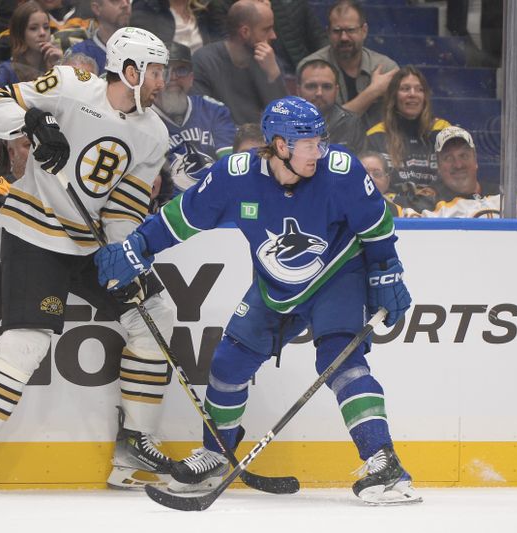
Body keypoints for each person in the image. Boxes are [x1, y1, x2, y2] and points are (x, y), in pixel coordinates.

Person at [93, 96, 420, 505]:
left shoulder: (341, 172)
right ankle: (215, 455)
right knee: (228, 363)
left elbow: (376, 226)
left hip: (338, 275)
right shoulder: (236, 175)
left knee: (341, 361)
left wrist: (386, 271)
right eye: (308, 144)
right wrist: (136, 246)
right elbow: (182, 218)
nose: (318, 151)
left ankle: (384, 464)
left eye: (321, 140)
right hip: (276, 284)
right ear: (280, 145)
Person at [0, 27, 177, 494]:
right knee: (26, 342)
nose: (160, 83)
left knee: (155, 317)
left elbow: (126, 206)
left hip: (90, 245)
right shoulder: (70, 85)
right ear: (131, 71)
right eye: (156, 72)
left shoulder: (154, 134)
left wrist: (121, 254)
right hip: (35, 231)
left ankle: (134, 447)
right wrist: (32, 124)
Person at [298, 0, 398, 129]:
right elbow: (321, 124)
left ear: (364, 31)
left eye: (350, 30)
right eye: (337, 31)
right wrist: (373, 91)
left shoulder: (386, 68)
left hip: (378, 146)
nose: (344, 37)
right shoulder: (310, 69)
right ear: (328, 32)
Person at [153, 42, 235, 193]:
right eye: (165, 70)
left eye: (181, 70)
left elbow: (229, 165)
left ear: (191, 78)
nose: (173, 77)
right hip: (168, 207)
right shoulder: (143, 120)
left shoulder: (213, 110)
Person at [402, 126, 517, 219]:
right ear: (438, 167)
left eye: (464, 156)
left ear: (476, 161)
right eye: (448, 158)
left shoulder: (502, 197)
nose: (458, 165)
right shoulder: (427, 202)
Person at [191, 0, 287, 125]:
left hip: (261, 139)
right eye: (266, 29)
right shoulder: (205, 61)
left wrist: (273, 75)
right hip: (221, 141)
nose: (273, 36)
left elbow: (283, 119)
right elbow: (202, 115)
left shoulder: (269, 62)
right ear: (245, 32)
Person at [364, 66, 451, 190]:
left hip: (437, 206)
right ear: (393, 96)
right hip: (393, 206)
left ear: (425, 97)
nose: (412, 94)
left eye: (419, 89)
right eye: (405, 89)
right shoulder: (375, 135)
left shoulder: (443, 130)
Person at [0, 1, 63, 88]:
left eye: (46, 27)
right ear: (20, 33)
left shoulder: (58, 62)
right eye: (33, 28)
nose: (42, 33)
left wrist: (61, 65)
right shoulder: (7, 71)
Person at [297, 58, 364, 154]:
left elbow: (360, 165)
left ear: (336, 91)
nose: (319, 93)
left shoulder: (352, 124)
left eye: (326, 87)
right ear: (298, 90)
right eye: (311, 86)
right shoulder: (283, 123)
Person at [130, 0, 227, 53]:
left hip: (202, 80)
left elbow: (220, 52)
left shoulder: (204, 10)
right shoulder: (147, 6)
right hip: (168, 83)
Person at [67, 0, 132, 74]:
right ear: (97, 8)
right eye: (115, 1)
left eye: (127, 0)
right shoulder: (79, 52)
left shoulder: (144, 46)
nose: (125, 4)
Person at [358, 149, 401, 217]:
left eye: (377, 174)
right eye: (364, 173)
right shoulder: (339, 209)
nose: (370, 178)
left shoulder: (396, 211)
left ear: (387, 181)